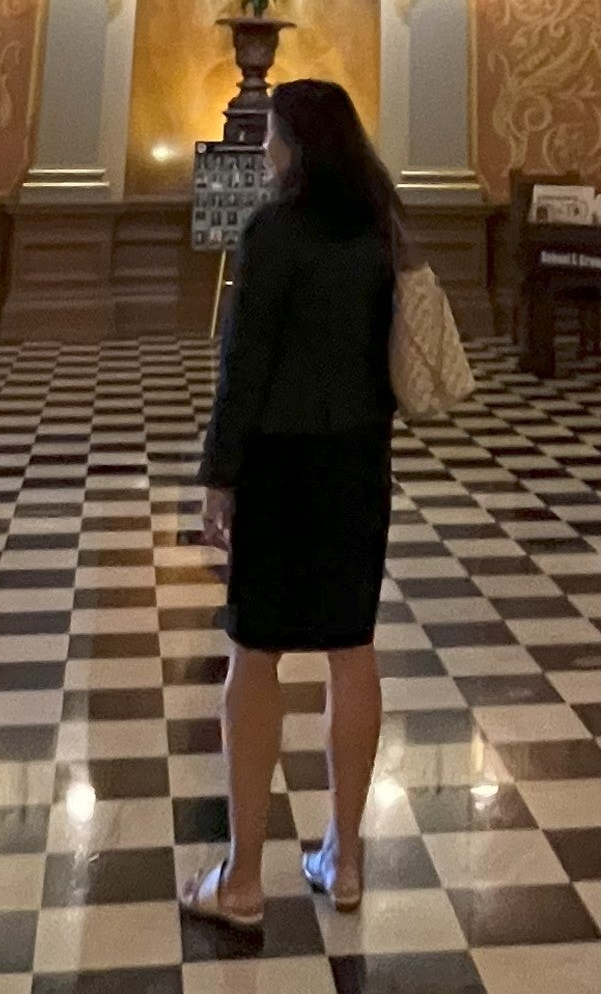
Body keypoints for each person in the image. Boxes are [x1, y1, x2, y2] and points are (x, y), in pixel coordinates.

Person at [186, 79, 402, 929]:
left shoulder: (272, 232)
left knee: (255, 655)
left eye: (272, 137)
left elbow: (246, 364)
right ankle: (344, 859)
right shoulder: (381, 228)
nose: (266, 150)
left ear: (298, 146)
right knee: (352, 648)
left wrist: (218, 472)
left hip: (280, 461)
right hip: (359, 459)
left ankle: (242, 879)